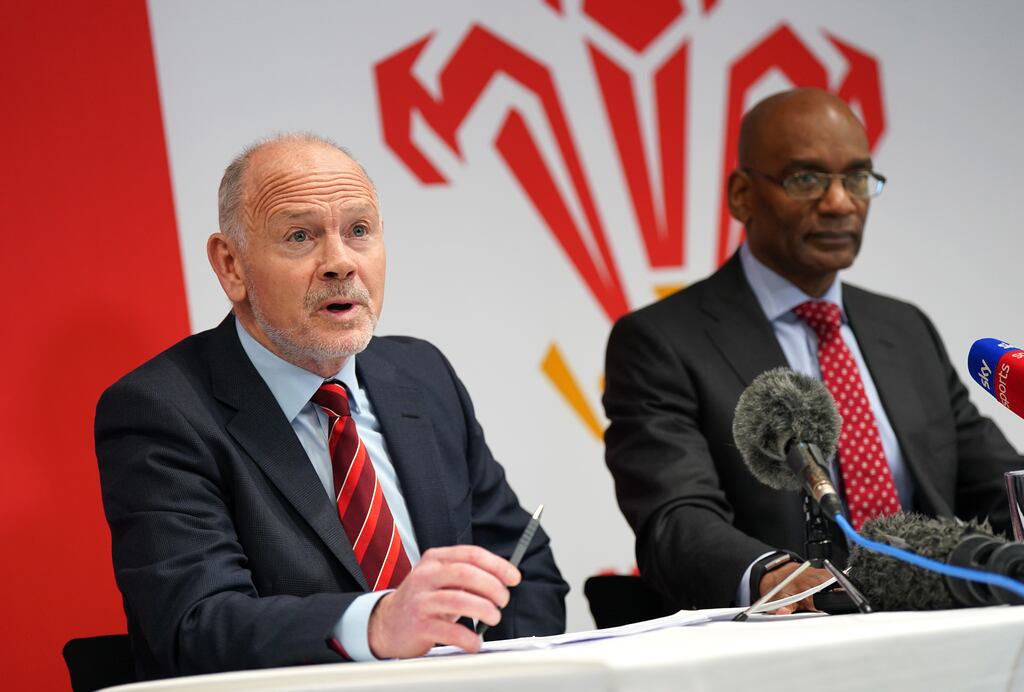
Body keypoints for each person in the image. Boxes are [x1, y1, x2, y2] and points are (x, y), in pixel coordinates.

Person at [95, 134, 568, 679]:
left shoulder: (421, 375)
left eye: (359, 231)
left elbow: (523, 567)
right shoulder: (161, 411)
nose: (340, 263)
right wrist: (377, 624)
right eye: (300, 236)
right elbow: (197, 624)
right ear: (231, 266)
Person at [603, 88, 1023, 614]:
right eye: (807, 179)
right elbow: (676, 518)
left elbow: (993, 485)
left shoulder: (904, 328)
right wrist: (768, 576)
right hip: (788, 646)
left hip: (941, 628)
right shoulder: (661, 341)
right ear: (741, 195)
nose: (840, 203)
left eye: (856, 178)